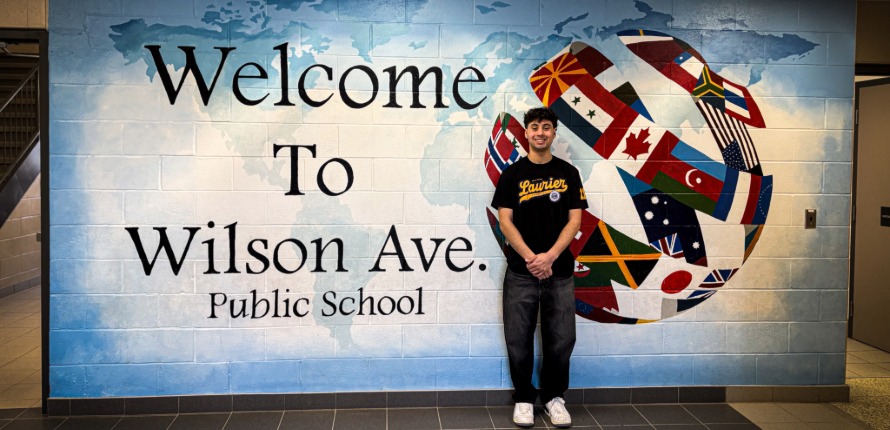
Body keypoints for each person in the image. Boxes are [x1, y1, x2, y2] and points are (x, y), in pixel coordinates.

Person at [491, 107, 586, 428]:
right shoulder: (513, 174)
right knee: (518, 339)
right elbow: (505, 221)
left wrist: (550, 257)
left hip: (559, 273)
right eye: (535, 127)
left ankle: (554, 398)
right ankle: (523, 399)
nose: (541, 132)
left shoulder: (568, 173)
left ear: (554, 133)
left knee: (561, 339)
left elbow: (575, 220)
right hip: (521, 272)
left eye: (547, 127)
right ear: (527, 134)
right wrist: (533, 258)